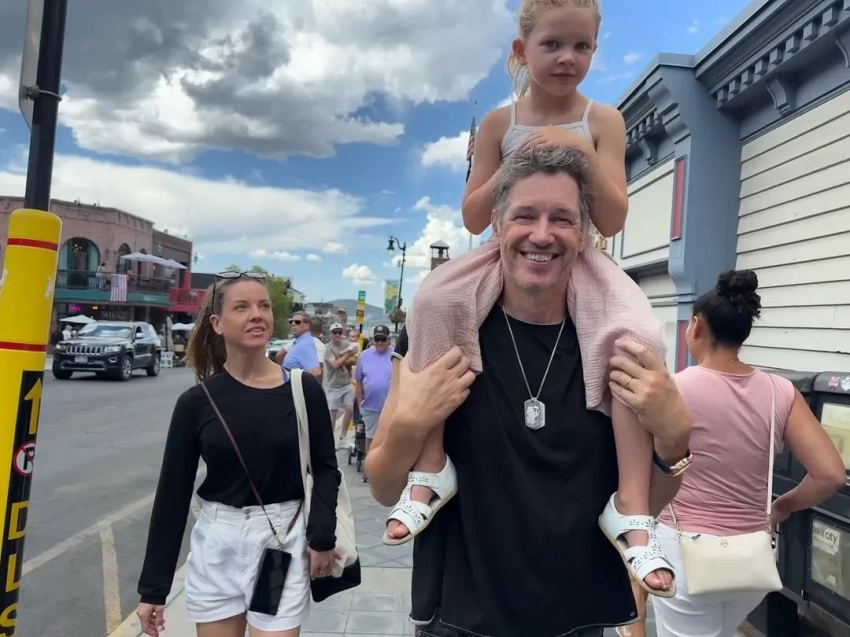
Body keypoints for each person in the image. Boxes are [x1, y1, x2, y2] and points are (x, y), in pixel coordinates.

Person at [384, 0, 675, 598]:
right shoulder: (500, 122)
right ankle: (432, 468)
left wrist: (579, 153)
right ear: (522, 51)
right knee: (433, 303)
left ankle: (631, 510)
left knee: (637, 335)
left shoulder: (603, 120)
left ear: (595, 51)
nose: (568, 58)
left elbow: (612, 217)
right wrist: (520, 162)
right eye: (552, 45)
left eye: (581, 47)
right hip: (501, 255)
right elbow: (474, 216)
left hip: (580, 257)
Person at [366, 144, 692, 637]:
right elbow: (382, 487)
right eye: (524, 216)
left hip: (576, 618)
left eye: (561, 218)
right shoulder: (444, 329)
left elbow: (651, 497)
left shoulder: (617, 343)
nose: (542, 234)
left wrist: (675, 439)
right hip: (456, 616)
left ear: (584, 234)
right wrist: (412, 425)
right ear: (498, 226)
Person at [135, 272, 340, 637]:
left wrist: (321, 537)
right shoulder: (196, 403)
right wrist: (153, 589)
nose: (256, 315)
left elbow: (325, 468)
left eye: (264, 306)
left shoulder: (301, 389)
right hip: (218, 548)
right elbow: (172, 495)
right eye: (242, 307)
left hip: (277, 545)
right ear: (217, 323)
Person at [647, 270, 846, 637]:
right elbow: (831, 473)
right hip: (751, 558)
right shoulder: (779, 392)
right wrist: (783, 506)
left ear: (696, 326)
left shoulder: (673, 390)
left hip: (685, 551)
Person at [354, 325, 394, 453]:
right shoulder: (364, 355)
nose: (380, 342)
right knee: (371, 440)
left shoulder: (395, 355)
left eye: (383, 339)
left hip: (390, 408)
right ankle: (370, 465)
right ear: (373, 340)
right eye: (377, 339)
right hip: (370, 407)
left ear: (388, 339)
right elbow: (358, 380)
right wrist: (360, 402)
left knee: (388, 440)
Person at [324, 322, 359, 445]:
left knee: (349, 408)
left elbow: (355, 358)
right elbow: (335, 364)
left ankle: (343, 436)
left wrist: (346, 359)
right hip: (333, 385)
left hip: (346, 383)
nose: (337, 335)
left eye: (339, 332)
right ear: (331, 334)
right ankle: (329, 439)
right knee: (332, 414)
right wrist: (347, 355)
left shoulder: (346, 344)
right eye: (335, 332)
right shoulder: (328, 348)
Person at [282, 311, 322, 378]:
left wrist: (297, 382)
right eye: (291, 322)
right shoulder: (300, 342)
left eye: (297, 322)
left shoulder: (305, 344)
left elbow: (316, 372)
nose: (293, 324)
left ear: (307, 326)